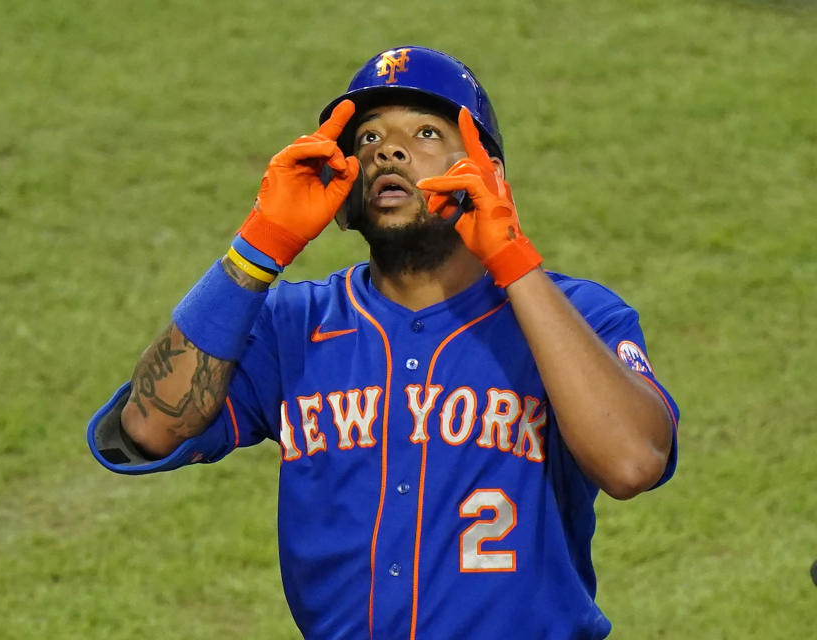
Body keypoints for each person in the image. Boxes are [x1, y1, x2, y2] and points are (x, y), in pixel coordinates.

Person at [87, 46, 679, 639]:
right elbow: (149, 426)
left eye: (425, 132)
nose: (388, 151)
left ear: (487, 172)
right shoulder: (292, 323)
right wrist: (259, 244)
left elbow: (631, 464)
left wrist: (512, 259)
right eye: (367, 138)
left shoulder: (575, 316)